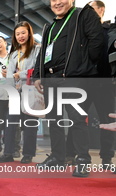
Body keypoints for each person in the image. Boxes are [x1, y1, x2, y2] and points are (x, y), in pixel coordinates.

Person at [33, 0, 104, 177]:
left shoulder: (82, 14)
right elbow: (42, 53)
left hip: (72, 78)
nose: (57, 2)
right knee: (54, 120)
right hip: (50, 78)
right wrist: (37, 75)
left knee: (77, 119)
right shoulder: (49, 27)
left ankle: (82, 160)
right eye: (53, 0)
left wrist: (83, 68)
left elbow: (97, 41)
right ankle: (57, 157)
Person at [65, 0, 115, 168]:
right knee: (76, 119)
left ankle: (107, 158)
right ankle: (70, 155)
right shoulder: (79, 33)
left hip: (104, 83)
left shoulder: (111, 31)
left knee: (107, 121)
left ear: (101, 11)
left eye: (91, 10)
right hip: (83, 82)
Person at [0, 21, 40, 164]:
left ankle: (28, 154)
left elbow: (37, 70)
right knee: (10, 124)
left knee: (29, 124)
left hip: (30, 91)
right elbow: (9, 75)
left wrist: (19, 74)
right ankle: (8, 153)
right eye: (18, 34)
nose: (20, 36)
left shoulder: (37, 50)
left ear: (29, 33)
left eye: (23, 33)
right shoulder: (13, 54)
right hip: (15, 93)